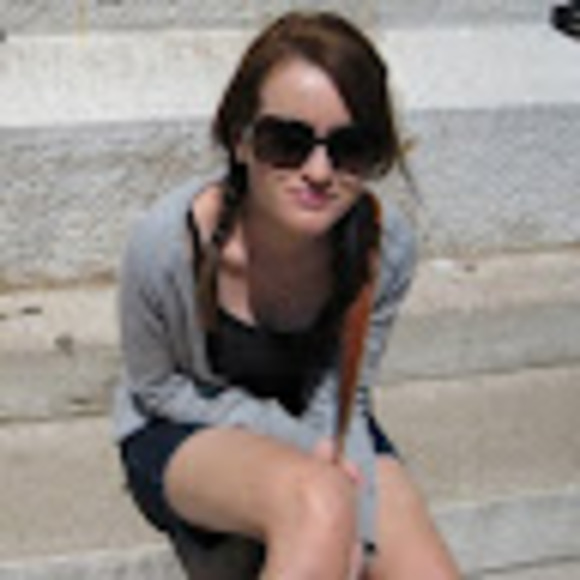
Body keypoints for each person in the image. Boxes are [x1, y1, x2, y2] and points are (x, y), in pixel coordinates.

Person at [113, 10, 461, 579]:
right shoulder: (167, 245)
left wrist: (355, 515)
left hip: (326, 423)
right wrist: (304, 451)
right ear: (240, 140)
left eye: (350, 147)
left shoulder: (384, 246)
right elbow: (158, 388)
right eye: (287, 142)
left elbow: (346, 394)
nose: (319, 172)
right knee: (318, 503)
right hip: (185, 426)